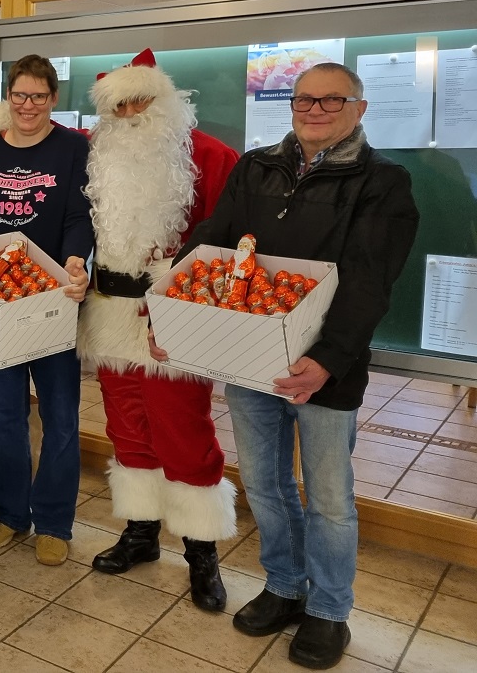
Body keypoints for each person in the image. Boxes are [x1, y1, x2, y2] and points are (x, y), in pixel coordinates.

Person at [151, 62, 419, 669]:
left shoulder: (383, 182)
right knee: (266, 486)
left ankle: (328, 611)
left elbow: (370, 285)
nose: (315, 109)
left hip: (325, 371)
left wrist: (324, 360)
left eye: (331, 100)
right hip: (248, 361)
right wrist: (170, 312)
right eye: (304, 99)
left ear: (360, 108)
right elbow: (214, 240)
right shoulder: (257, 166)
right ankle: (284, 587)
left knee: (329, 499)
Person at [77, 49, 239, 612]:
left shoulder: (213, 158)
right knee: (126, 426)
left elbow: (233, 244)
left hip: (174, 319)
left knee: (183, 428)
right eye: (118, 104)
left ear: (164, 97)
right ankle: (141, 533)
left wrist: (181, 289)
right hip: (107, 310)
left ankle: (201, 550)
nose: (130, 111)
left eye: (140, 98)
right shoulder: (95, 154)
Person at [0, 54, 93, 566]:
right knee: (5, 416)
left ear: (53, 99)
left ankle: (54, 520)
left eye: (38, 96)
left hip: (52, 300)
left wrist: (76, 260)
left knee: (60, 417)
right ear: (7, 98)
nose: (27, 106)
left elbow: (80, 215)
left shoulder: (74, 147)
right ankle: (11, 513)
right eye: (19, 96)